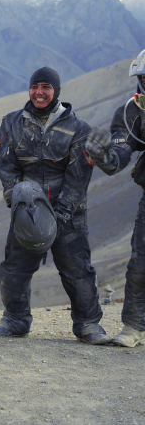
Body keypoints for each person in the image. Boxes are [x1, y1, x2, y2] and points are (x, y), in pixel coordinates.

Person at [0, 66, 109, 344]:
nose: (39, 93)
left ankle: (88, 324)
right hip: (27, 210)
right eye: (35, 87)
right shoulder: (12, 123)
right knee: (15, 268)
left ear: (56, 91)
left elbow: (79, 176)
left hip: (68, 212)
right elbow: (6, 164)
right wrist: (15, 199)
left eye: (46, 87)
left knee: (78, 270)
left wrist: (62, 213)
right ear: (29, 89)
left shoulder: (78, 129)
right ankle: (15, 320)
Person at [85, 49, 145, 347]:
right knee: (140, 264)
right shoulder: (131, 111)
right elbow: (120, 156)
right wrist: (105, 156)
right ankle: (133, 327)